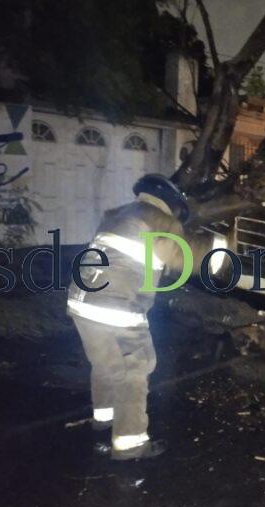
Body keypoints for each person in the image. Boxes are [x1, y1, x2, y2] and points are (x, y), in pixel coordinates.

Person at [67, 174, 194, 460]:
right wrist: (219, 248)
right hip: (117, 307)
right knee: (135, 369)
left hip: (81, 302)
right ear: (172, 204)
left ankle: (104, 419)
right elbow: (183, 258)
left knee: (104, 363)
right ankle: (131, 445)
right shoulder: (163, 222)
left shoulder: (115, 215)